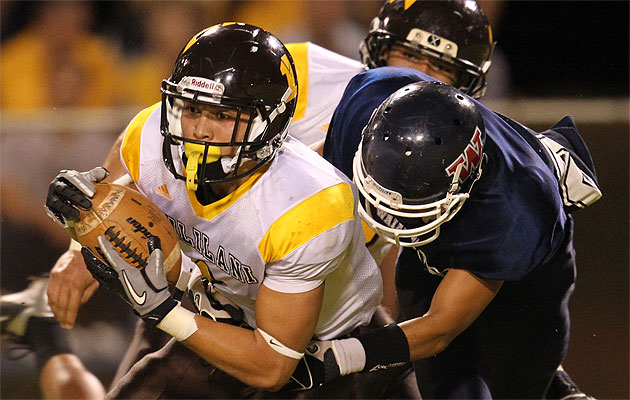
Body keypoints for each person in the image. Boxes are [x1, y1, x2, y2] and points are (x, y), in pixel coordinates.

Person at [43, 22, 384, 398]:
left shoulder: (307, 204)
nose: (201, 130)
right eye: (191, 108)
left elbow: (272, 365)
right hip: (220, 313)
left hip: (325, 352)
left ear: (269, 122)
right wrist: (84, 213)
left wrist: (165, 312)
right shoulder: (153, 136)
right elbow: (126, 168)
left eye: (222, 116)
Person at [300, 67, 602, 399]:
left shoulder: (514, 206)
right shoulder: (369, 100)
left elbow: (440, 327)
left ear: (464, 183)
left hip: (527, 268)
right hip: (438, 240)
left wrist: (341, 356)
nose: (385, 210)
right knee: (437, 378)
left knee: (510, 381)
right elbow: (308, 183)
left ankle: (556, 388)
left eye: (410, 194)